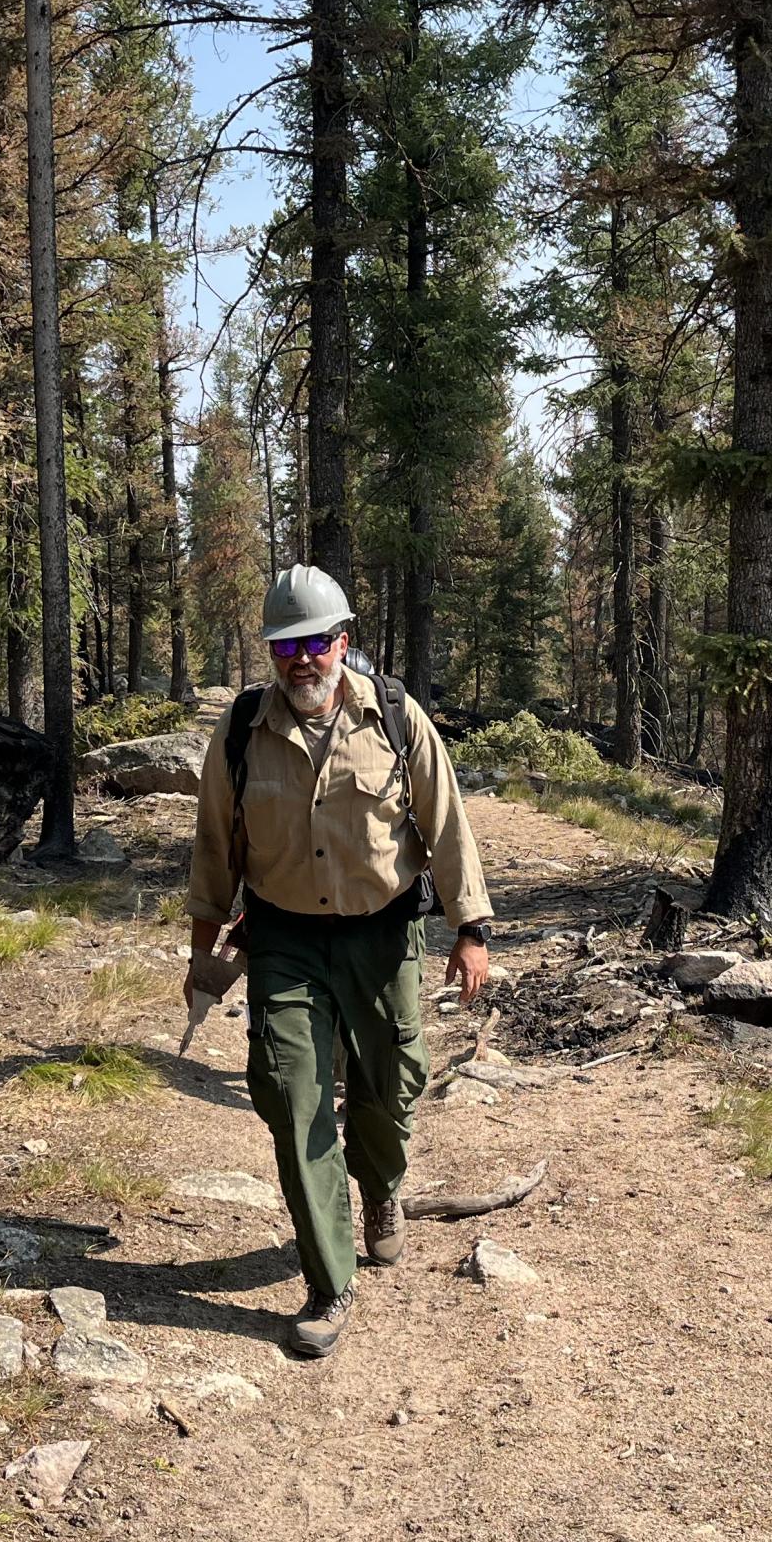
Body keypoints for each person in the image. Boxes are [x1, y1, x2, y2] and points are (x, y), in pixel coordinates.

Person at [184, 564, 494, 1358]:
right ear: (272, 652)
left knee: (391, 1086)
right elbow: (216, 847)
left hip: (383, 936)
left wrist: (471, 931)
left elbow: (447, 822)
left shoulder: (393, 716)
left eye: (316, 642)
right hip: (282, 939)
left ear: (343, 643)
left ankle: (382, 1189)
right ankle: (328, 1282)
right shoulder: (242, 730)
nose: (302, 659)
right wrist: (202, 952)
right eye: (286, 645)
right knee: (294, 1096)